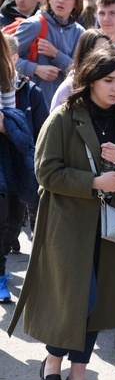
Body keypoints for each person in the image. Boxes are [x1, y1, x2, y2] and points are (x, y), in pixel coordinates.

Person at [7, 48, 115, 380]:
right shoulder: (64, 118)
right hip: (69, 225)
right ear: (89, 80)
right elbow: (46, 172)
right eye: (108, 81)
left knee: (98, 301)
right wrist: (95, 182)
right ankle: (52, 365)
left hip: (111, 226)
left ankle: (78, 377)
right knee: (78, 297)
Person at [14, 0, 85, 107]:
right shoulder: (34, 25)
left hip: (65, 107)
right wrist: (35, 69)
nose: (60, 0)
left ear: (76, 3)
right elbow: (5, 59)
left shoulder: (80, 32)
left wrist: (57, 55)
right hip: (31, 106)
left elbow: (81, 72)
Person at [0, 31, 30, 303]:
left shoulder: (10, 78)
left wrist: (6, 123)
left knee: (12, 221)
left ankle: (2, 263)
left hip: (8, 156)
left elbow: (9, 117)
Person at [50, 30, 111, 111]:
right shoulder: (68, 88)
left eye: (108, 51)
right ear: (85, 54)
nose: (104, 56)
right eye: (98, 51)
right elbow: (56, 121)